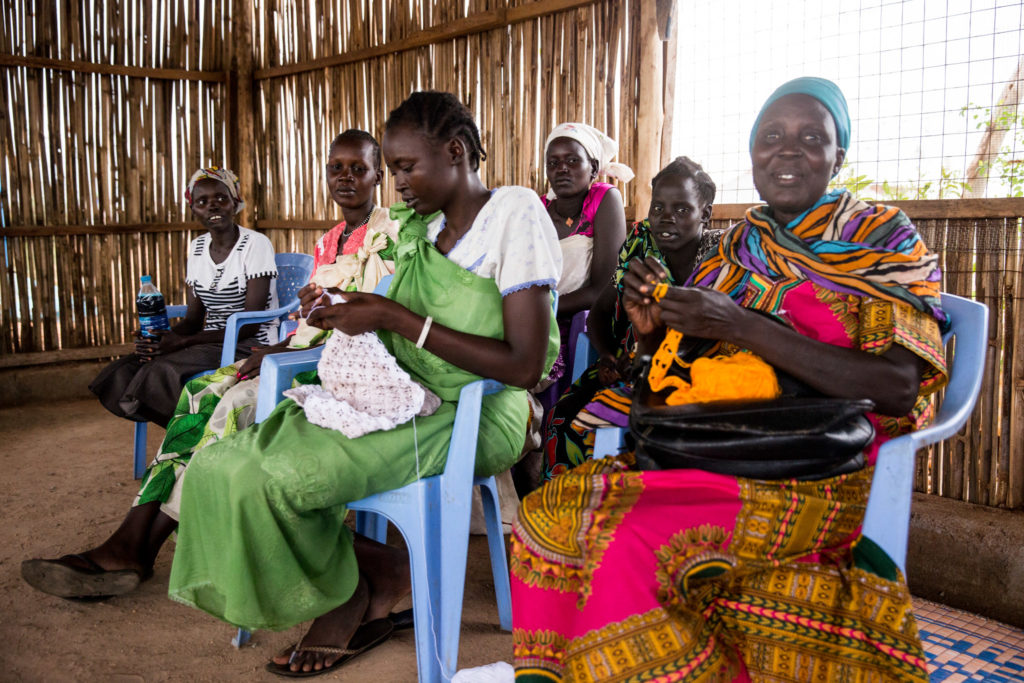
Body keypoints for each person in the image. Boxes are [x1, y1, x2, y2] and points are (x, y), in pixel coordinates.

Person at [510, 77, 947, 682]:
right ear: (752, 154)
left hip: (825, 462)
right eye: (772, 136)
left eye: (810, 137)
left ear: (838, 155)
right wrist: (647, 335)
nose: (787, 149)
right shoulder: (741, 245)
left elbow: (898, 387)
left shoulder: (880, 237)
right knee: (543, 521)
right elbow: (681, 377)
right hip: (717, 445)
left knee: (631, 538)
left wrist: (744, 326)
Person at [166, 91, 561, 676]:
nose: (396, 182)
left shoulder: (513, 213)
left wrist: (392, 317)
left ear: (456, 152)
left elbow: (524, 367)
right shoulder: (420, 230)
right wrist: (347, 307)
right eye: (395, 168)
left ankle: (355, 590)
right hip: (401, 392)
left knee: (276, 479)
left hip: (477, 410)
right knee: (223, 465)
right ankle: (375, 570)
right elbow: (398, 319)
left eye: (405, 167)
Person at [20, 132, 397, 602]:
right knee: (198, 393)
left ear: (378, 176)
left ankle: (135, 546)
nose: (345, 177)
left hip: (340, 365)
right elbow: (313, 318)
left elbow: (371, 323)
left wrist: (275, 352)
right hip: (299, 350)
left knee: (226, 405)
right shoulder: (327, 242)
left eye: (357, 168)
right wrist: (285, 340)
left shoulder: (391, 234)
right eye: (336, 168)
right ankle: (132, 541)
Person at [543, 157, 722, 480]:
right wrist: (609, 356)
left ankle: (624, 506)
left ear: (705, 214)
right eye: (658, 209)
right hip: (630, 366)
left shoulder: (721, 258)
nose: (666, 219)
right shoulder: (641, 241)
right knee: (564, 417)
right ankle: (572, 516)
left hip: (698, 378)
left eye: (681, 210)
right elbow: (600, 307)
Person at [88, 167, 277, 427]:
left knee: (162, 371)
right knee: (126, 368)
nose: (213, 206)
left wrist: (182, 343)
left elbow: (250, 323)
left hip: (249, 342)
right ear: (193, 210)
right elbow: (193, 318)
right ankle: (185, 430)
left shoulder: (255, 244)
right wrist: (163, 340)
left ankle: (190, 433)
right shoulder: (197, 248)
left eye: (221, 198)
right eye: (202, 202)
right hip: (209, 342)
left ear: (235, 203)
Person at [538, 122, 630, 390]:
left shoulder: (604, 199)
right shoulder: (538, 208)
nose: (562, 168)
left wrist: (544, 309)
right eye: (553, 162)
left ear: (592, 167)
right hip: (539, 315)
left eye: (572, 160)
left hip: (583, 320)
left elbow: (604, 288)